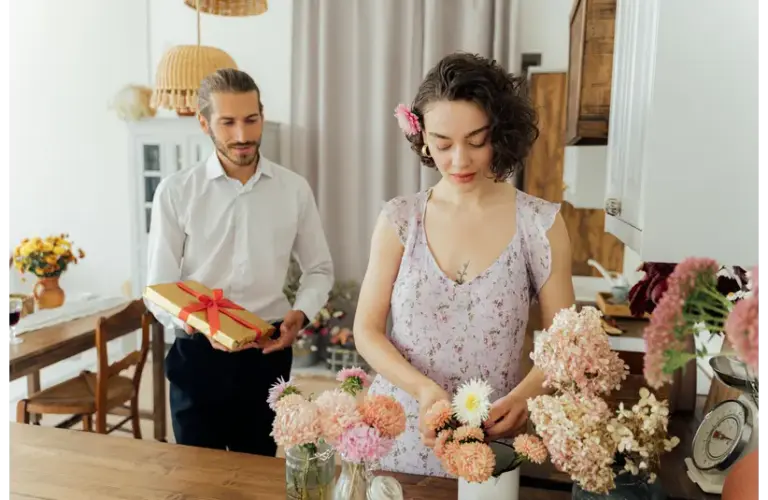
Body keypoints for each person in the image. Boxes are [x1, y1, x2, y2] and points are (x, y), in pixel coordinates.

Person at [353, 52, 576, 476]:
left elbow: (565, 341)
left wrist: (525, 396)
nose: (459, 160)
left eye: (477, 141)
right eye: (442, 143)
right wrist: (422, 389)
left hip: (489, 441)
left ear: (502, 133)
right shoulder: (400, 220)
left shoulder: (540, 224)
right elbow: (366, 330)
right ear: (421, 138)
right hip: (398, 435)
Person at [145, 68, 334, 456]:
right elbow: (158, 290)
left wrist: (300, 314)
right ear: (204, 123)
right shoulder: (176, 192)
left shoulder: (294, 189)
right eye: (227, 122)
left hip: (266, 352)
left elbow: (319, 269)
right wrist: (198, 324)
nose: (243, 135)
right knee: (198, 478)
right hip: (197, 354)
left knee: (256, 475)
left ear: (262, 115)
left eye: (251, 120)